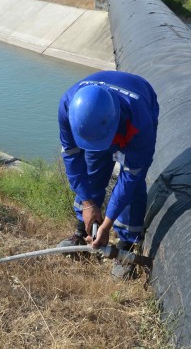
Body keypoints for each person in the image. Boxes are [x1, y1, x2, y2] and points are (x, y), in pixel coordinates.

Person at [57, 70, 159, 279]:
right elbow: (71, 157)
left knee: (134, 187)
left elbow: (130, 177)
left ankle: (127, 244)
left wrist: (108, 223)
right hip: (98, 123)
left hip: (136, 106)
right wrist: (87, 203)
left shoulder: (140, 122)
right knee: (91, 168)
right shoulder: (69, 106)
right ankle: (83, 230)